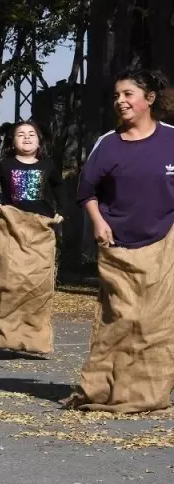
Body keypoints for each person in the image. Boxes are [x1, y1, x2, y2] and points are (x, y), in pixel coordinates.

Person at [66, 69, 174, 413]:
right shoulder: (108, 144)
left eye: (128, 94)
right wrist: (98, 222)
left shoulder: (171, 139)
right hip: (118, 247)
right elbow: (86, 192)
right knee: (122, 319)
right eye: (116, 96)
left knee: (156, 323)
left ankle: (149, 392)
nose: (120, 101)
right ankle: (105, 387)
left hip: (164, 244)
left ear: (149, 99)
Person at [0, 120, 64, 355]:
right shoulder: (4, 166)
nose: (26, 138)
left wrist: (61, 211)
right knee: (10, 280)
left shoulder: (48, 166)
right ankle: (3, 331)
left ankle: (34, 337)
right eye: (20, 135)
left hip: (40, 231)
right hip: (11, 228)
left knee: (38, 284)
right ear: (12, 143)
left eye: (31, 134)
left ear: (39, 140)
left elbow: (60, 188)